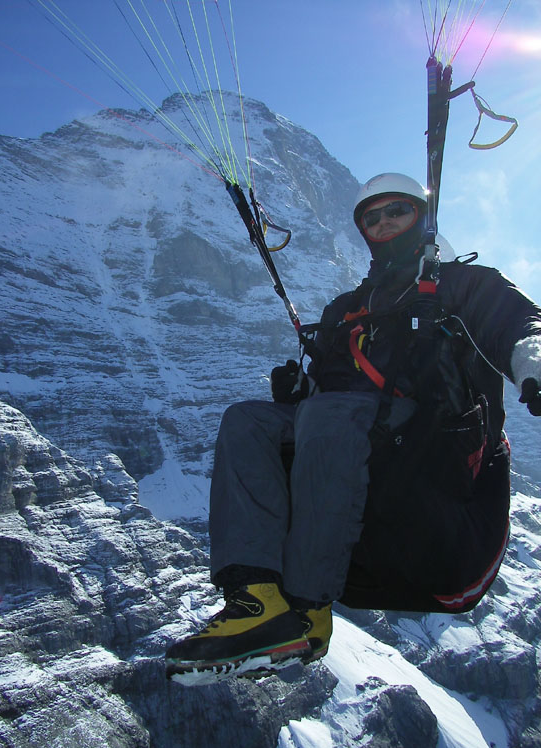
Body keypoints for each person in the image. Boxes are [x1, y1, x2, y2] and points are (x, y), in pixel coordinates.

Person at [165, 172, 541, 684]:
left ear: (423, 218)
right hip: (361, 456)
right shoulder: (345, 310)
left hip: (432, 456)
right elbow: (325, 396)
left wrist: (534, 364)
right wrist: (300, 392)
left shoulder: (461, 285)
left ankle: (306, 609)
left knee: (329, 414)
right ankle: (257, 598)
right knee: (247, 422)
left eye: (397, 212)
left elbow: (519, 324)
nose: (383, 223)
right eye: (371, 217)